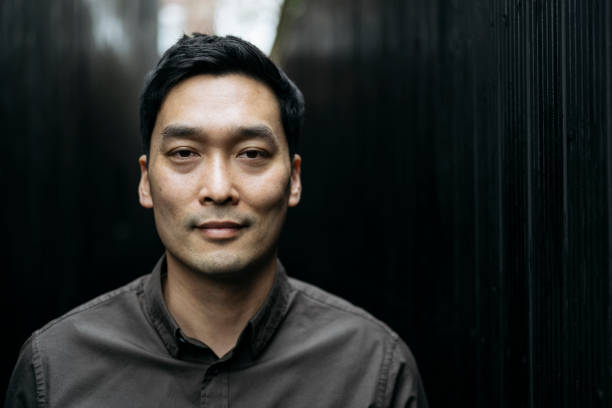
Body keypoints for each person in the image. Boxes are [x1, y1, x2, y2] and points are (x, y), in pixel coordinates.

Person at [5, 34, 428, 408]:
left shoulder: (374, 371)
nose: (219, 188)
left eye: (252, 154)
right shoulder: (55, 371)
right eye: (185, 153)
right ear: (146, 181)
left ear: (294, 180)